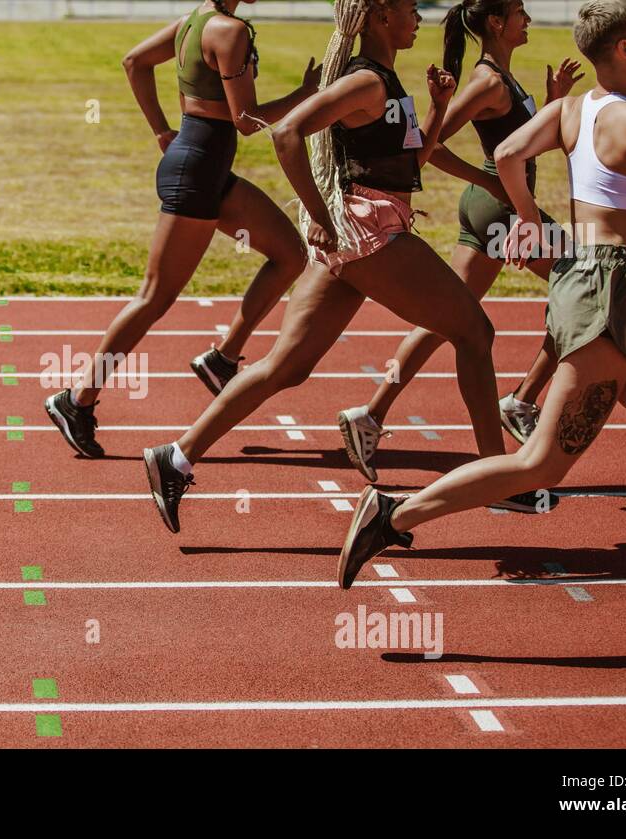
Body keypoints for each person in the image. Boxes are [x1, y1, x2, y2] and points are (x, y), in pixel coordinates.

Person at [340, 0, 626, 632]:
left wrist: (528, 218)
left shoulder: (571, 109)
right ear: (625, 51)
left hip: (601, 289)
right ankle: (392, 514)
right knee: (541, 465)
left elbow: (506, 157)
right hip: (609, 295)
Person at [144, 0, 547, 534]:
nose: (418, 18)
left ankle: (176, 456)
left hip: (356, 236)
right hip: (370, 234)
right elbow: (287, 133)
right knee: (475, 330)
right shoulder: (366, 82)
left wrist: (435, 106)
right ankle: (501, 478)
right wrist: (315, 214)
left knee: (285, 367)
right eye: (408, 9)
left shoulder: (383, 79)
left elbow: (412, 159)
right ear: (380, 17)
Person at [46, 0, 320, 458]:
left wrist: (160, 131)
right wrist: (305, 95)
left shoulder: (194, 21)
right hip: (196, 173)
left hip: (205, 169)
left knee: (291, 253)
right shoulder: (229, 31)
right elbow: (245, 120)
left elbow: (134, 62)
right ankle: (77, 401)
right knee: (154, 297)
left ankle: (223, 358)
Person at [338, 0, 584, 482]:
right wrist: (489, 181)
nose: (528, 19)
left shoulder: (504, 77)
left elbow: (526, 140)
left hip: (494, 205)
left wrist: (554, 100)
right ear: (496, 23)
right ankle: (522, 400)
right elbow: (427, 145)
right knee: (587, 288)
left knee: (442, 318)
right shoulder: (488, 81)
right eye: (519, 12)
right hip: (503, 209)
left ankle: (370, 414)